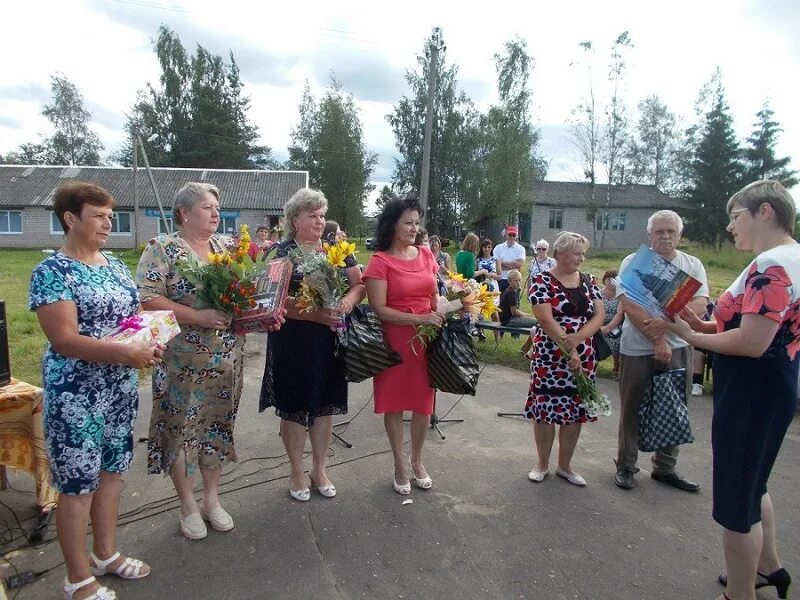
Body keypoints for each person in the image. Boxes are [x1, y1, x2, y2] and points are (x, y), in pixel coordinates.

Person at [30, 183, 162, 600]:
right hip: (76, 395)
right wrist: (127, 353)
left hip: (118, 389)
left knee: (111, 474)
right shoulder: (52, 272)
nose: (109, 223)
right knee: (77, 486)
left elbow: (133, 318)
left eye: (110, 216)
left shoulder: (115, 266)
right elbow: (65, 340)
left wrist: (152, 335)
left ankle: (106, 554)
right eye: (99, 216)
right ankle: (77, 578)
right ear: (70, 219)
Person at [668, 180, 798, 600]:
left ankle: (739, 593)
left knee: (735, 503)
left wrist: (693, 338)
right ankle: (768, 570)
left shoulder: (771, 265)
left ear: (764, 211)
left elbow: (752, 342)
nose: (729, 226)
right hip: (775, 382)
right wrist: (699, 325)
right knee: (753, 485)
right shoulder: (789, 257)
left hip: (750, 387)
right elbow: (741, 324)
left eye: (735, 215)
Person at [136, 182, 275, 541]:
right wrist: (197, 316)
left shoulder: (229, 248)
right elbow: (147, 300)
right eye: (207, 207)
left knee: (216, 427)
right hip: (181, 364)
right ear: (184, 213)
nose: (216, 213)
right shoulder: (162, 250)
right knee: (180, 430)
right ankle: (187, 504)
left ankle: (211, 500)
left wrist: (266, 312)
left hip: (227, 361)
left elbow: (249, 295)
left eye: (217, 207)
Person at [259, 189, 365, 502]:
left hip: (329, 340)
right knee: (293, 408)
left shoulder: (339, 249)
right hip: (293, 340)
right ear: (295, 220)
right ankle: (296, 470)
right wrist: (318, 314)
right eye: (312, 216)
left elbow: (359, 285)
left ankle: (319, 469)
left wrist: (345, 302)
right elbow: (272, 301)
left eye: (322, 215)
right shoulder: (281, 252)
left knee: (323, 406)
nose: (319, 221)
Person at [614, 209, 709, 492]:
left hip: (679, 346)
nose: (665, 236)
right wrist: (657, 339)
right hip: (637, 348)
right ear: (649, 235)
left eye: (671, 231)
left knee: (675, 407)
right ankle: (626, 466)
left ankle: (665, 468)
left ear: (680, 235)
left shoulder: (692, 264)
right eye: (660, 231)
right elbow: (629, 304)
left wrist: (665, 323)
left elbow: (701, 304)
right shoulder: (634, 262)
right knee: (632, 409)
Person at [363, 195, 449, 495]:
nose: (414, 228)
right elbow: (379, 309)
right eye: (408, 222)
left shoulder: (427, 255)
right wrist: (420, 320)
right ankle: (399, 463)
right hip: (397, 341)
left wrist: (447, 308)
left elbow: (434, 294)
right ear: (392, 224)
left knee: (425, 405)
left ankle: (417, 460)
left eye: (417, 222)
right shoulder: (379, 261)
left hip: (427, 341)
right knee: (395, 404)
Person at [525, 231, 605, 487]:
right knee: (546, 411)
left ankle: (565, 466)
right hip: (550, 354)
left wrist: (578, 340)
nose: (581, 258)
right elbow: (545, 319)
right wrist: (568, 348)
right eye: (576, 253)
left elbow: (599, 315)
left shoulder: (590, 280)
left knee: (574, 411)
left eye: (583, 253)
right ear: (560, 253)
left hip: (583, 352)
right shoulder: (541, 280)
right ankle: (542, 463)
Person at [599, 269, 625, 379]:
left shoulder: (621, 295)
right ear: (604, 279)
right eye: (608, 279)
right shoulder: (598, 293)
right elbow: (595, 312)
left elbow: (620, 314)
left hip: (616, 325)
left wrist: (608, 328)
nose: (611, 281)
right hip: (599, 323)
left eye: (614, 279)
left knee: (617, 340)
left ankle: (617, 367)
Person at [493, 225, 526, 293]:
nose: (511, 237)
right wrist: (512, 265)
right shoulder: (498, 248)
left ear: (516, 236)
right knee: (500, 301)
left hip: (514, 280)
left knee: (513, 302)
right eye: (510, 234)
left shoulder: (521, 249)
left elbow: (519, 264)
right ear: (506, 235)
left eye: (514, 235)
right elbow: (495, 265)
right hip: (501, 279)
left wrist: (501, 263)